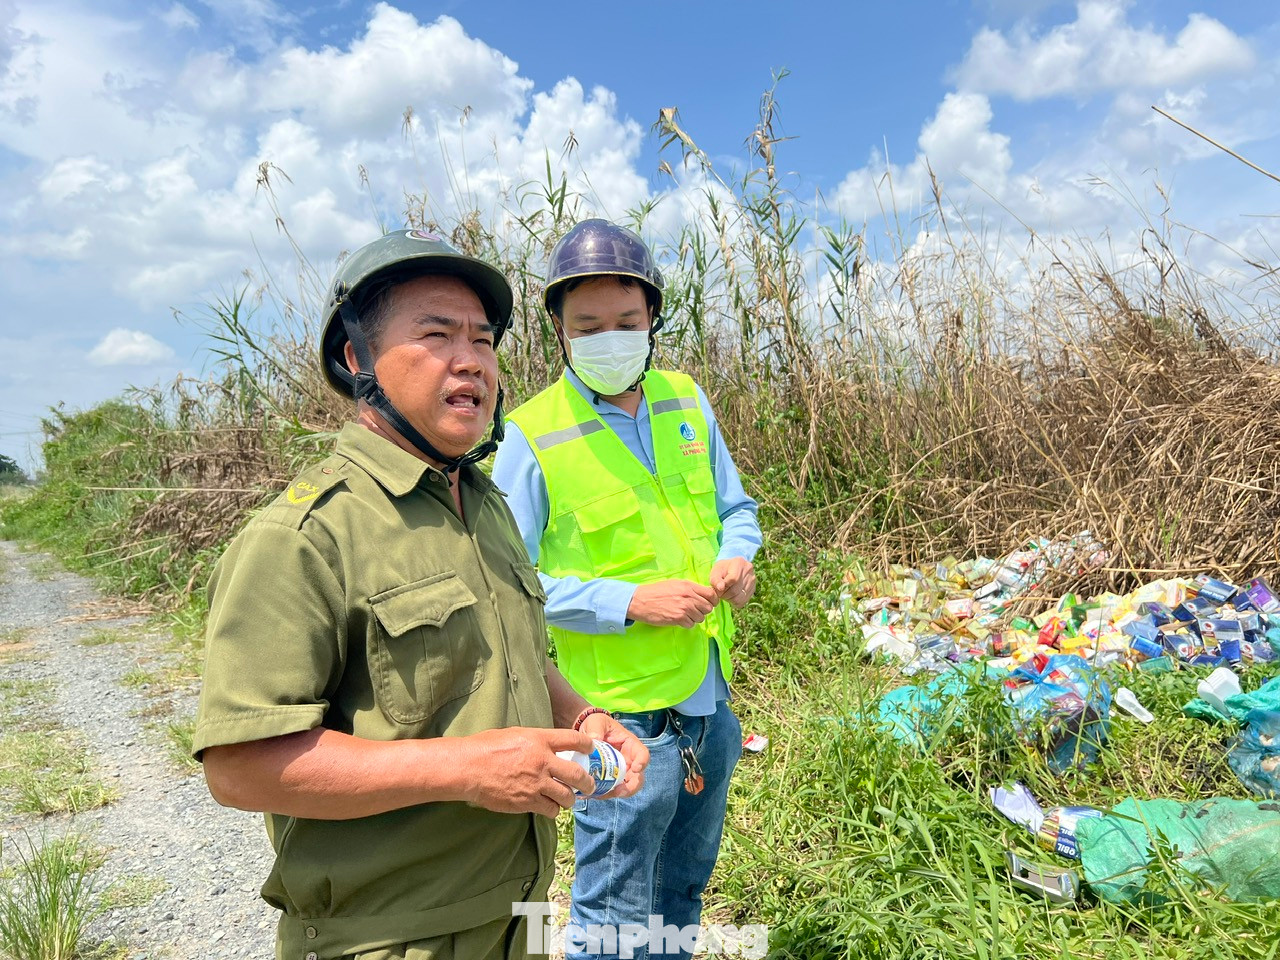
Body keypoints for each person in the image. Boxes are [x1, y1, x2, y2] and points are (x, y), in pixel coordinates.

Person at [192, 228, 648, 960]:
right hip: (389, 937)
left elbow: (509, 654)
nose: (470, 359)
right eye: (436, 335)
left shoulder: (486, 504)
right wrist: (469, 769)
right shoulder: (305, 534)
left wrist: (583, 716)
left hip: (519, 915)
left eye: (483, 340)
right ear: (357, 358)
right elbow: (239, 767)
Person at [492, 219, 761, 959]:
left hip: (706, 702)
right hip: (617, 721)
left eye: (626, 321)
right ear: (559, 331)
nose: (608, 338)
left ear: (652, 320)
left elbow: (737, 511)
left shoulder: (686, 401)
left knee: (683, 889)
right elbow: (508, 583)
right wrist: (629, 602)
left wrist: (737, 559)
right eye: (588, 327)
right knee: (612, 913)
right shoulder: (530, 435)